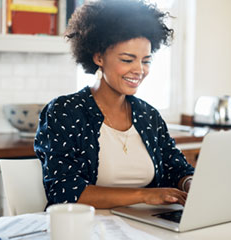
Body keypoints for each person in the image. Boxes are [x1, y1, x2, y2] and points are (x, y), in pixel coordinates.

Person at [34, 0, 194, 209]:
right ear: (99, 57)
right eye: (128, 60)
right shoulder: (65, 112)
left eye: (146, 61)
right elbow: (65, 191)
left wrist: (191, 184)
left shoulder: (148, 116)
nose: (139, 70)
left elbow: (177, 169)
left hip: (147, 226)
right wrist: (144, 195)